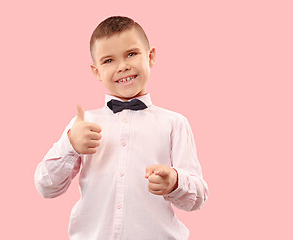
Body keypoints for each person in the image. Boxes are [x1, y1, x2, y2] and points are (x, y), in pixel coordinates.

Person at [34, 16, 209, 240]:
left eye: (131, 54)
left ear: (151, 56)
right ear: (96, 71)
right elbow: (46, 187)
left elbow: (199, 197)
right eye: (108, 60)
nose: (123, 66)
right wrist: (70, 145)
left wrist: (175, 182)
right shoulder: (82, 124)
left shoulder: (175, 123)